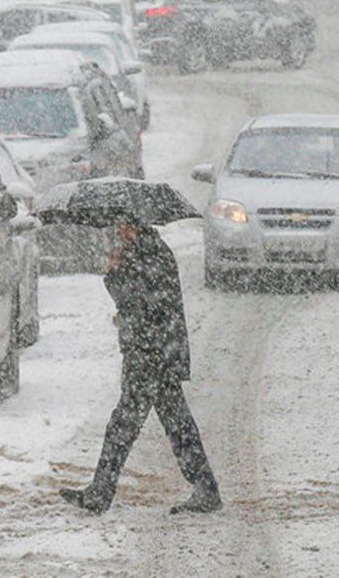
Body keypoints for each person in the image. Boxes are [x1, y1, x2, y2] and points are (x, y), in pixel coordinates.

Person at [60, 219, 221, 515]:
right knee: (176, 423)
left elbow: (137, 303)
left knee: (125, 424)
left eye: (122, 225)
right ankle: (205, 487)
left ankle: (101, 491)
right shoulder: (146, 251)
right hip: (155, 352)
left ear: (135, 225)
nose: (118, 230)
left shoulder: (148, 254)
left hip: (150, 354)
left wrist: (114, 273)